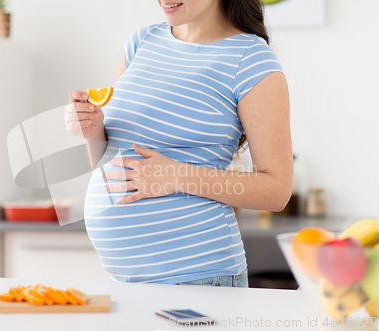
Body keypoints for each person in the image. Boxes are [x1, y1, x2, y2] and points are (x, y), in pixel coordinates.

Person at [64, 0, 292, 287]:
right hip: (123, 281)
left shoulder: (250, 59)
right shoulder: (141, 42)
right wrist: (93, 131)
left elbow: (277, 191)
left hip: (199, 278)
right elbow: (107, 160)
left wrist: (177, 176)